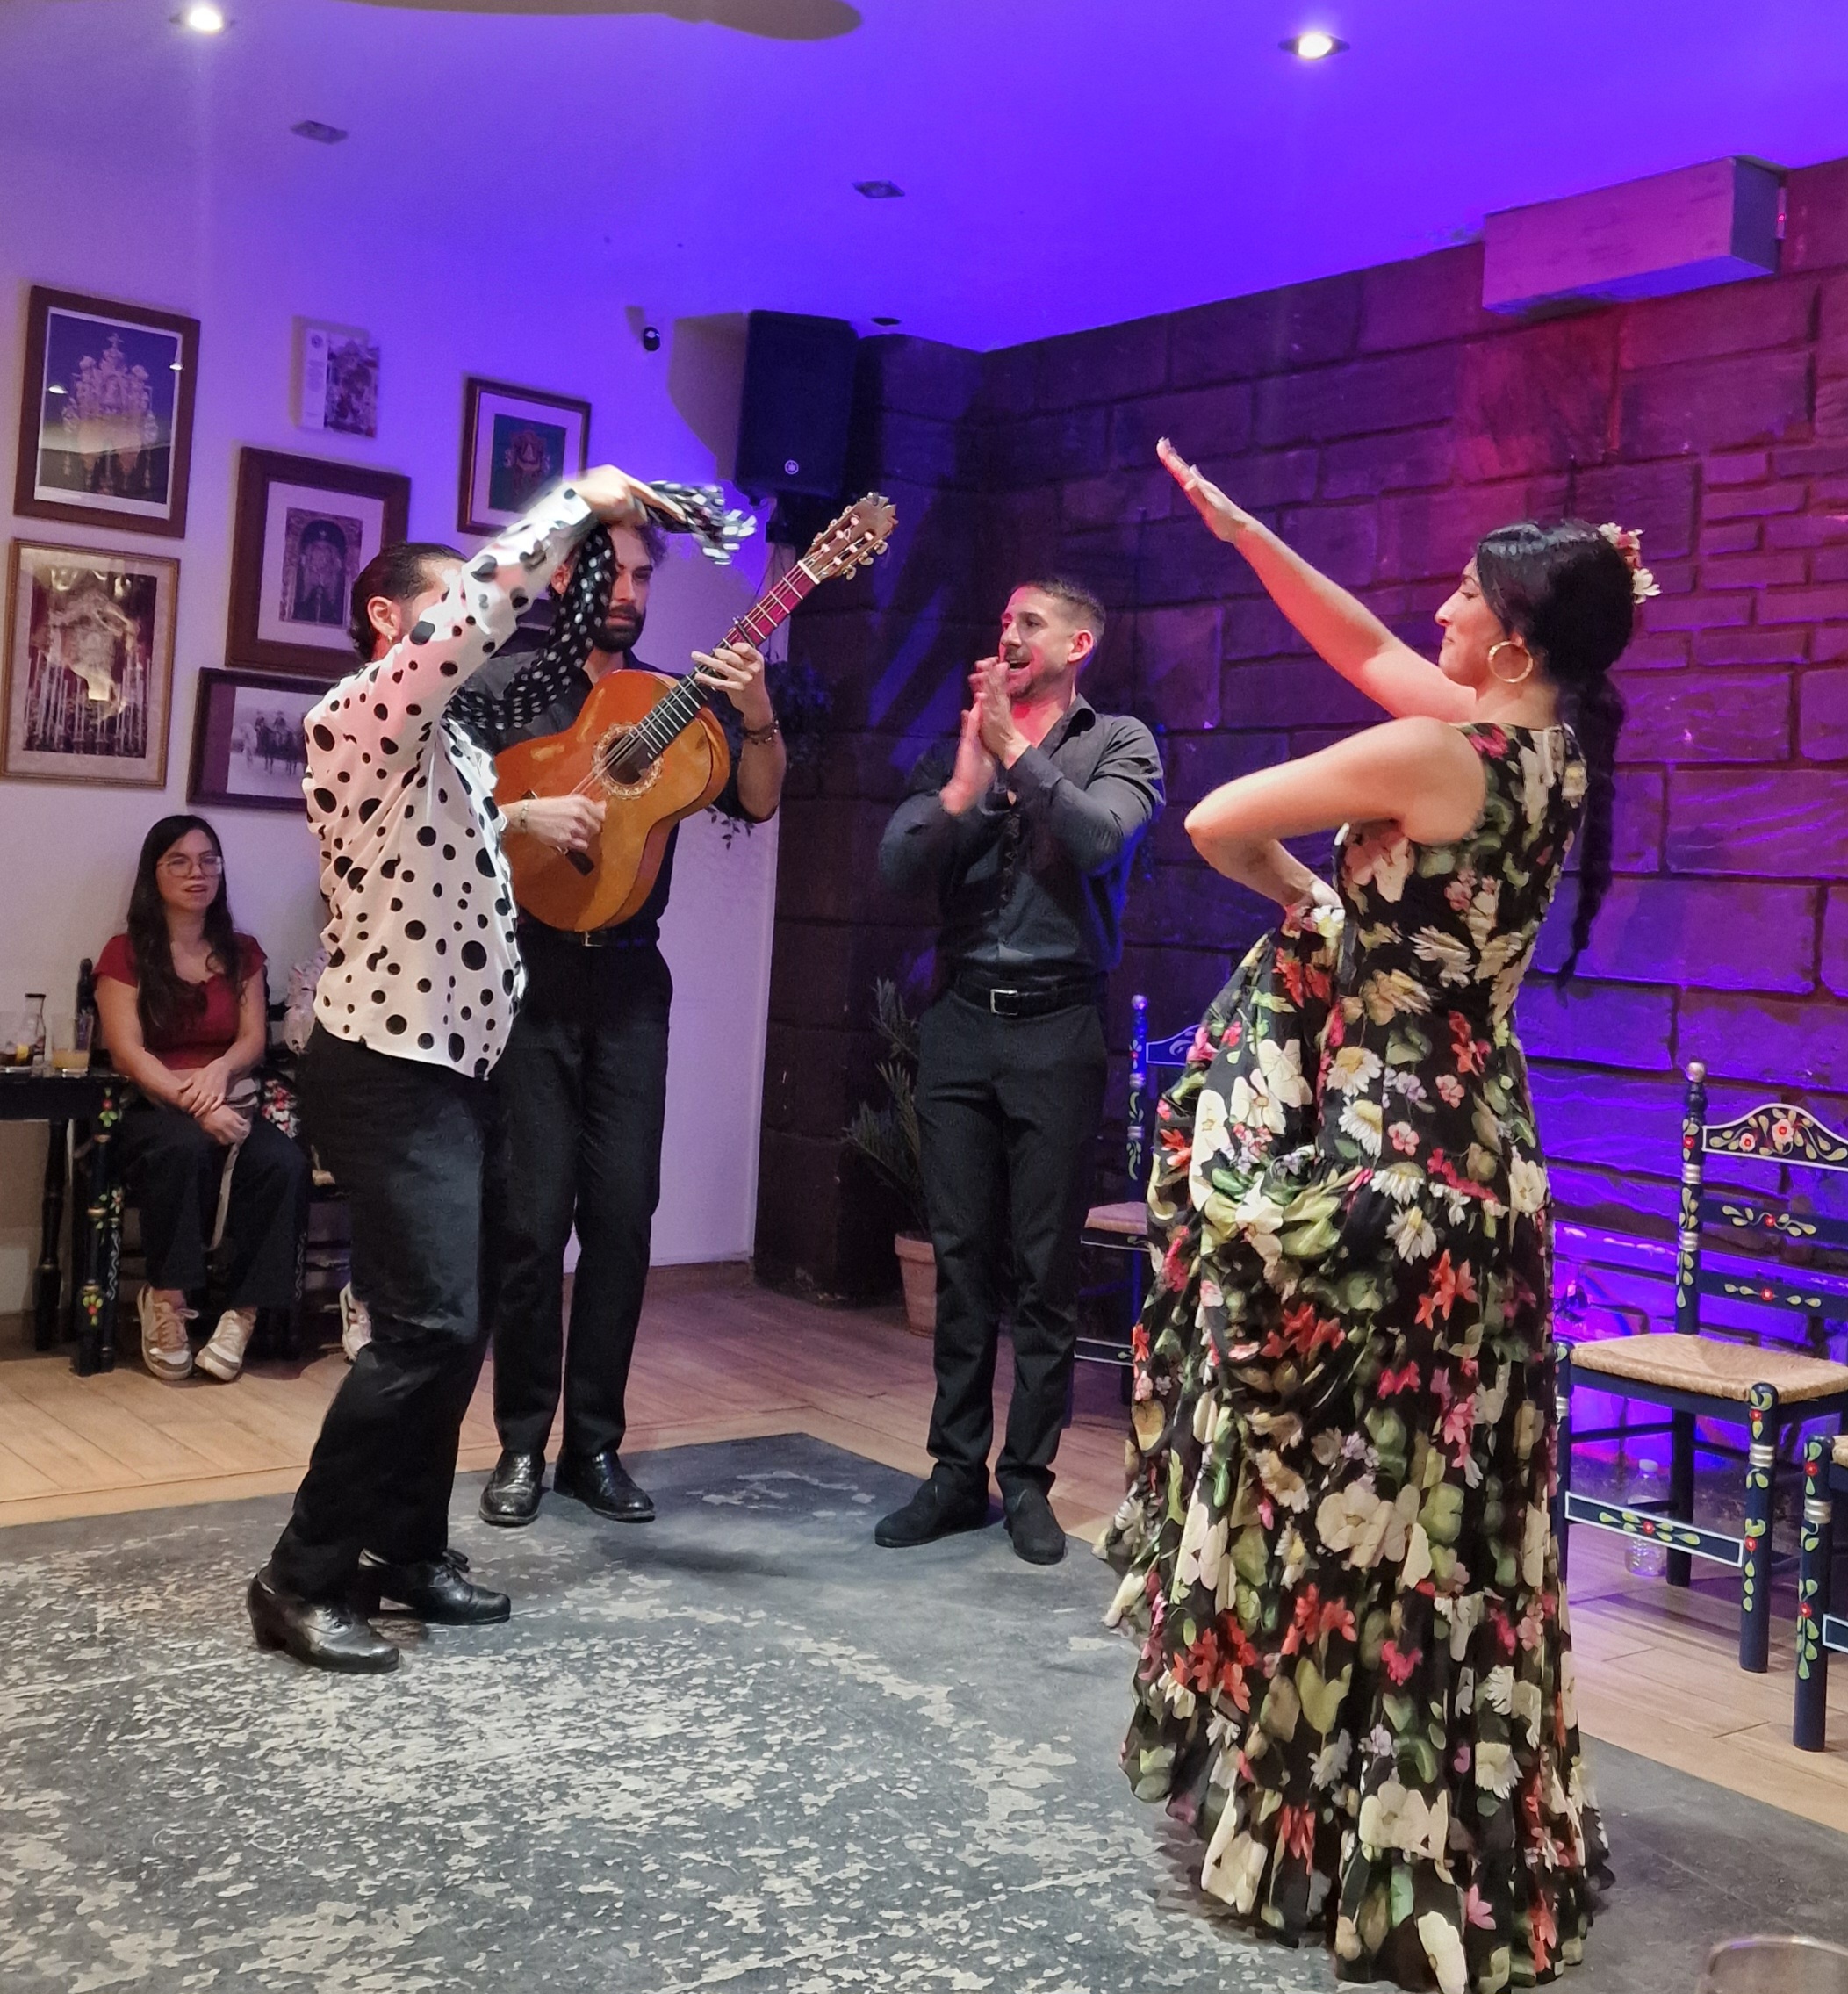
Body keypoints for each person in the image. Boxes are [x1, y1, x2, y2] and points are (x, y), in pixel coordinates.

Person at [1101, 437, 1648, 1990]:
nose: (1440, 609)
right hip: (1491, 1165)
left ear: (1514, 646)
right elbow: (1367, 648)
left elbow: (1218, 819)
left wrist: (1314, 902)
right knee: (1449, 1511)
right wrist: (1251, 533)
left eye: (1467, 596)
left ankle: (1343, 1836)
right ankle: (1435, 1835)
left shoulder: (1436, 758)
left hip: (1388, 1167)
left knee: (1339, 1486)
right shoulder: (1556, 751)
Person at [246, 466, 680, 1675]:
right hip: (388, 1066)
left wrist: (518, 819)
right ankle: (300, 1574)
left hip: (458, 1066)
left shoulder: (442, 749)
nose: (470, 634)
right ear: (390, 621)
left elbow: (458, 822)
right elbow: (489, 611)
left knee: (458, 1320)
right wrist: (580, 501)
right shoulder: (360, 709)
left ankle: (405, 1549)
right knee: (428, 1326)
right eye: (444, 614)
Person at [466, 519, 785, 1530]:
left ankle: (592, 1447)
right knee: (529, 1223)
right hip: (529, 977)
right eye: (616, 571)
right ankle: (521, 1443)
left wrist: (757, 712)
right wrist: (525, 817)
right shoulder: (504, 686)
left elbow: (757, 802)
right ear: (566, 573)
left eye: (645, 575)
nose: (632, 591)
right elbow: (440, 815)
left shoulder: (666, 700)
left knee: (621, 1217)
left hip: (632, 984)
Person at [873, 579, 1164, 1566]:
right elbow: (896, 870)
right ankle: (956, 1472)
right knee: (959, 1261)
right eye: (1001, 619)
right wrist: (962, 787)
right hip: (960, 1021)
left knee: (1042, 1270)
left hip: (1056, 1026)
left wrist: (1013, 750)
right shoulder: (960, 743)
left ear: (1078, 643)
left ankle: (1027, 1478)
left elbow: (1097, 839)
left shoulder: (1118, 742)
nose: (1006, 634)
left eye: (1028, 622)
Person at [95, 816, 310, 1384]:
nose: (198, 873)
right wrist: (197, 1104)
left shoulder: (242, 952)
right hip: (154, 1107)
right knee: (182, 1149)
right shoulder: (125, 953)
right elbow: (128, 1054)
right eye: (180, 861)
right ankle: (166, 1301)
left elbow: (253, 1039)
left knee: (283, 1162)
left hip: (232, 1097)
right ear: (154, 873)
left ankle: (242, 1315)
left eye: (209, 859)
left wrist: (219, 1071)